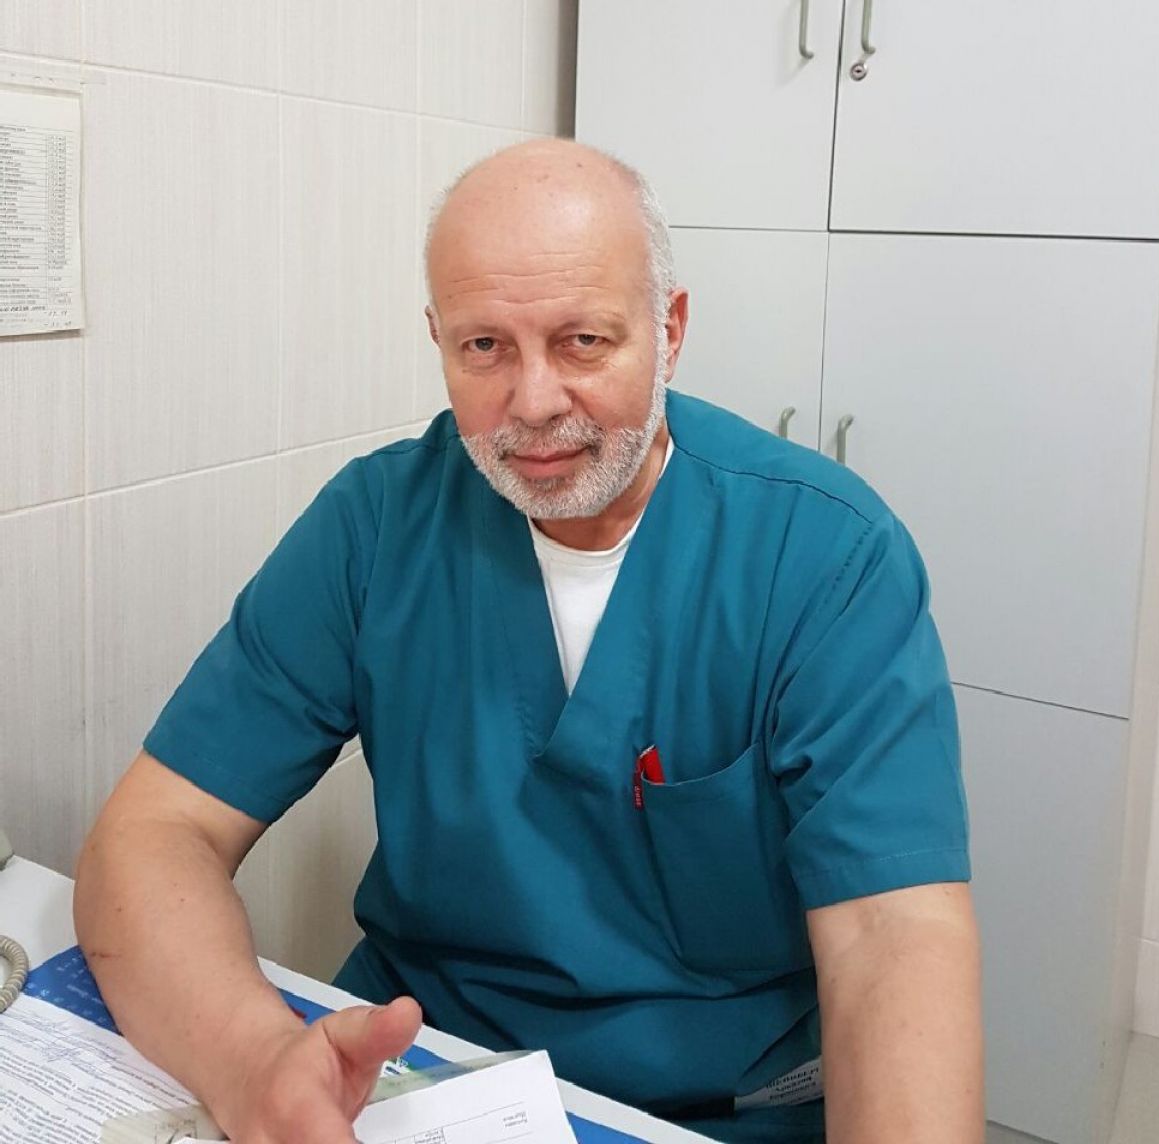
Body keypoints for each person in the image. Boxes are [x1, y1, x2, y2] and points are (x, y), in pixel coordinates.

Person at [74, 140, 983, 1144]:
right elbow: (155, 832)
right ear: (438, 339)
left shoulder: (823, 555)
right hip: (421, 1075)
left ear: (670, 331)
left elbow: (893, 935)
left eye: (584, 341)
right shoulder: (375, 528)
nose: (535, 401)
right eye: (484, 347)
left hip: (715, 1110)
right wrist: (252, 1063)